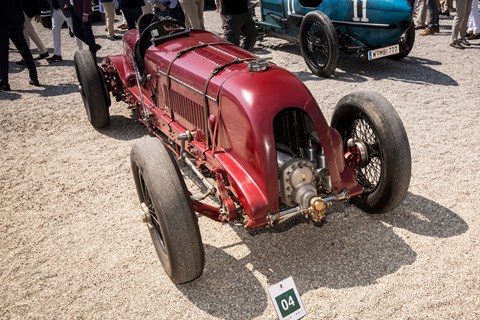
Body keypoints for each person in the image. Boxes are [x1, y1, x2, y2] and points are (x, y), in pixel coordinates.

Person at [0, 0, 40, 91]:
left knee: (2, 54)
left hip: (1, 23)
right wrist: (21, 20)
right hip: (15, 19)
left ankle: (4, 82)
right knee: (24, 50)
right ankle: (34, 77)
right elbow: (19, 4)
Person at [17, 0, 50, 65]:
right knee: (31, 33)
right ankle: (43, 51)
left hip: (26, 11)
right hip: (23, 11)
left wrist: (37, 13)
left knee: (24, 35)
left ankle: (26, 58)